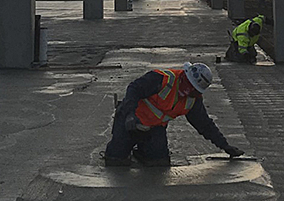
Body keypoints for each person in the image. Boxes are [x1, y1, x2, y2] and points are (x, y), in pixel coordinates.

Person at [104, 61, 244, 167]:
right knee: (115, 160)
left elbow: (205, 125)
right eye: (188, 86)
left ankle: (142, 152)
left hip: (153, 129)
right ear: (184, 76)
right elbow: (133, 89)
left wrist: (225, 146)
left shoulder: (193, 101)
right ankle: (120, 147)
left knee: (159, 163)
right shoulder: (161, 79)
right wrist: (129, 114)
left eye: (193, 90)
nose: (188, 92)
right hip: (130, 121)